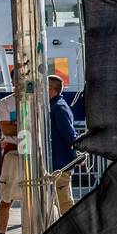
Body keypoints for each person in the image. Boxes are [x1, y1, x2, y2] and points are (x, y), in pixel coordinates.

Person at [0, 89, 21, 234]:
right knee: (6, 199)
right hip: (12, 152)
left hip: (32, 152)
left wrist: (16, 125)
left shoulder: (38, 99)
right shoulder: (5, 102)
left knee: (32, 199)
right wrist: (24, 125)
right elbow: (6, 129)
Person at [48, 75, 77, 215]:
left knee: (65, 204)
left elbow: (69, 136)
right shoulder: (56, 106)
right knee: (61, 204)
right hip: (58, 164)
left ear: (51, 89)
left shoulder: (58, 108)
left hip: (60, 165)